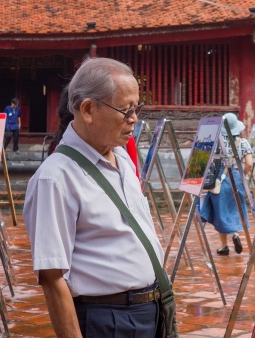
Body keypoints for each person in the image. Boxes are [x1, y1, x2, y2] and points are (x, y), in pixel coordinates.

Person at [24, 58, 165, 338]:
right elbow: (53, 280)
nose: (134, 119)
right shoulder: (55, 178)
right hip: (108, 320)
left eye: (137, 108)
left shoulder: (122, 158)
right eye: (125, 110)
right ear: (88, 109)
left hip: (149, 311)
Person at [199, 112, 251, 255]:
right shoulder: (244, 142)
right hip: (236, 176)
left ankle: (224, 246)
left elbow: (209, 161)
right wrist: (243, 176)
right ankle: (236, 235)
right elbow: (249, 164)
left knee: (220, 211)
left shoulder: (217, 142)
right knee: (236, 208)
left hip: (220, 178)